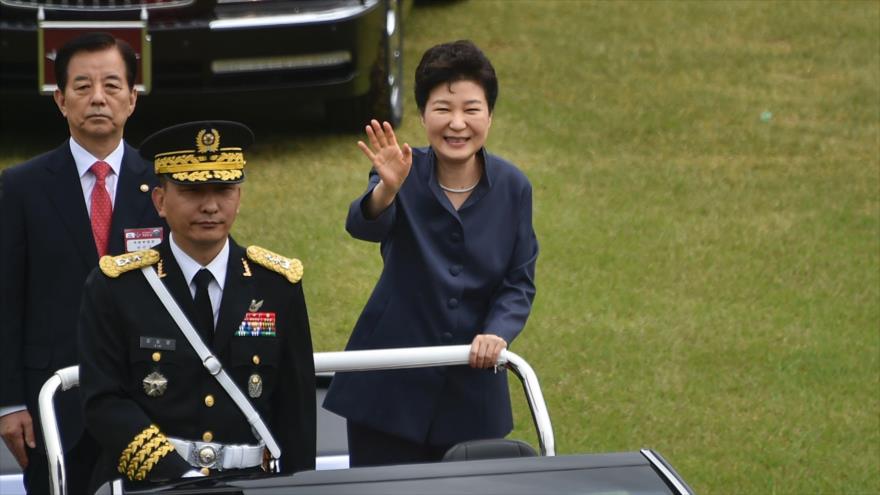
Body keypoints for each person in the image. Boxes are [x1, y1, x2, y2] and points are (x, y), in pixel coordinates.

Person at [323, 40, 538, 466]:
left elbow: (518, 281)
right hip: (387, 390)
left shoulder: (515, 187)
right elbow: (364, 225)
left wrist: (497, 332)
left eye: (471, 109)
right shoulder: (400, 169)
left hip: (471, 393)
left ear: (489, 116)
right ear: (422, 116)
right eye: (443, 109)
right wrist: (387, 188)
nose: (457, 123)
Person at [76, 120, 316, 490]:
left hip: (251, 482)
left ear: (239, 196)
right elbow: (104, 401)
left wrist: (300, 486)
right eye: (192, 190)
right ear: (160, 200)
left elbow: (296, 411)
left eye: (223, 189)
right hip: (154, 483)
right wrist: (179, 474)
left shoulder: (277, 286)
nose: (210, 205)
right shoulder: (117, 288)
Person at [0, 32, 165, 494]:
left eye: (112, 86)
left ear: (132, 99)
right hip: (54, 412)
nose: (97, 98)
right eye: (82, 86)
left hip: (148, 405)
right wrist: (9, 403)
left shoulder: (164, 186)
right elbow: (6, 300)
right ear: (60, 100)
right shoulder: (21, 188)